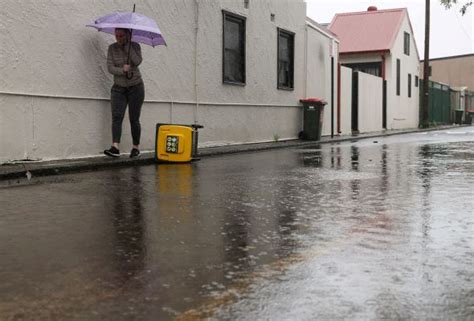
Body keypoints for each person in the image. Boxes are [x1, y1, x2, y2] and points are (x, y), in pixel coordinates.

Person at [104, 28, 145, 158]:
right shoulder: (112, 48)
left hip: (136, 87)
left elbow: (138, 61)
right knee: (117, 117)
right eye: (116, 36)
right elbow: (110, 68)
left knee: (134, 118)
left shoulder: (135, 46)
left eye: (121, 35)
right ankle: (115, 147)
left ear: (127, 35)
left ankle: (135, 147)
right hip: (118, 88)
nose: (118, 38)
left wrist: (127, 47)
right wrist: (123, 70)